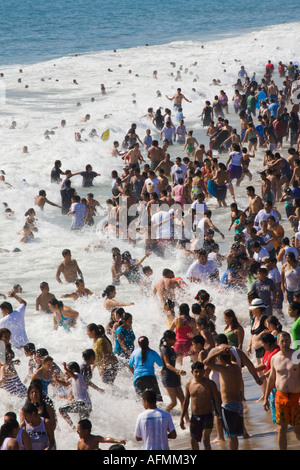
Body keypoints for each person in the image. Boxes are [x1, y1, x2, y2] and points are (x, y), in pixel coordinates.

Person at [263, 331, 300, 450]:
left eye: (287, 340)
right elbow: (271, 378)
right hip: (280, 397)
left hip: (296, 397)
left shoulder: (297, 356)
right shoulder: (274, 358)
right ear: (278, 342)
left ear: (290, 341)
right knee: (281, 429)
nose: (284, 343)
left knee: (297, 429)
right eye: (282, 341)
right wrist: (266, 398)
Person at [203, 345, 244, 450]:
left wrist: (217, 352)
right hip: (239, 404)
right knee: (234, 434)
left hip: (228, 406)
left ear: (219, 359)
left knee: (231, 435)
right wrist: (227, 353)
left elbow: (206, 362)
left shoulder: (223, 369)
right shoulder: (236, 366)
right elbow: (232, 360)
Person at [180, 361, 222, 450]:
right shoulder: (189, 384)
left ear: (204, 371)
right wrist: (182, 418)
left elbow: (217, 400)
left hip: (207, 416)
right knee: (193, 440)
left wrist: (220, 415)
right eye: (196, 371)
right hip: (195, 417)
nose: (199, 374)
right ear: (192, 372)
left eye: (201, 371)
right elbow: (186, 402)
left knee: (206, 439)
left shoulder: (210, 384)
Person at [52, 361, 92, 431]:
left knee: (61, 410)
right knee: (83, 427)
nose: (67, 373)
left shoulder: (78, 375)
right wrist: (56, 380)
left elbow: (74, 375)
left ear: (73, 370)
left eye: (68, 370)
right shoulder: (73, 378)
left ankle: (73, 428)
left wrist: (65, 368)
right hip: (87, 405)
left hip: (82, 404)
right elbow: (65, 384)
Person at [159, 330, 188, 418]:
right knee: (174, 402)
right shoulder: (164, 349)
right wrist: (178, 371)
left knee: (183, 400)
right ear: (167, 339)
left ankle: (187, 421)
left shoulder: (171, 349)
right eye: (173, 339)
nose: (175, 341)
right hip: (168, 377)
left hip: (175, 376)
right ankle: (162, 417)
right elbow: (167, 364)